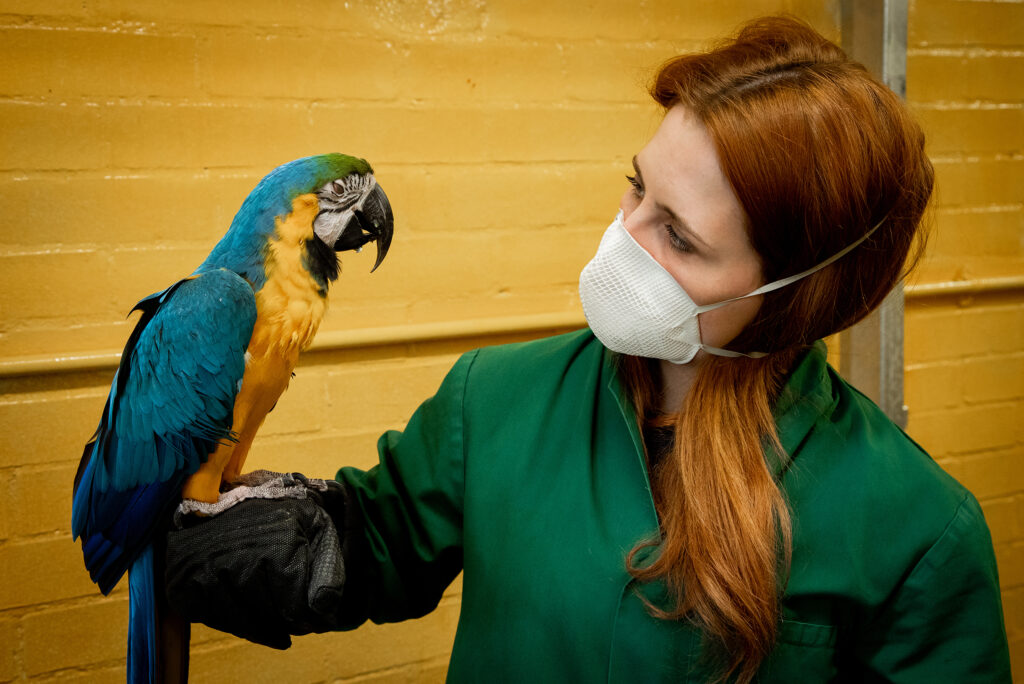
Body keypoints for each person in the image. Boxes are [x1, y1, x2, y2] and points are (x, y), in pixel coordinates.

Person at [164, 16, 1012, 683]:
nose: (623, 238)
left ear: (791, 292)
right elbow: (377, 545)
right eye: (637, 187)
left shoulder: (918, 533)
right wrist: (259, 534)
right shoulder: (496, 397)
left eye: (678, 237)